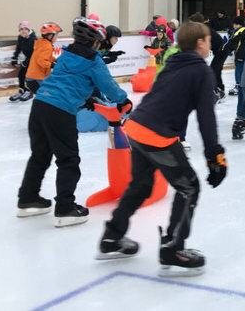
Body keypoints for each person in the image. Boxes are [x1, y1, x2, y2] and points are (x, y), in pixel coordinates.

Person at [96, 21, 226, 278]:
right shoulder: (201, 71)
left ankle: (111, 238)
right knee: (189, 187)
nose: (210, 45)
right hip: (157, 136)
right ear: (200, 42)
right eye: (209, 40)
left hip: (135, 128)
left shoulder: (173, 63)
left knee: (141, 186)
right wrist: (215, 155)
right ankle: (172, 249)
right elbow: (205, 116)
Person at [18, 18, 132, 227]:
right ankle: (65, 208)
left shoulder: (66, 54)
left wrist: (85, 98)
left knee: (39, 156)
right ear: (95, 41)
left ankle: (27, 199)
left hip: (40, 104)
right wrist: (125, 101)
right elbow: (109, 87)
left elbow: (65, 78)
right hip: (61, 111)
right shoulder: (94, 61)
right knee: (68, 160)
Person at [26, 22, 62, 94]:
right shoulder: (47, 46)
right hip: (37, 78)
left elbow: (45, 57)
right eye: (56, 35)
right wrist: (52, 65)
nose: (57, 37)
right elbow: (42, 61)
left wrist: (56, 59)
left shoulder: (42, 43)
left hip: (33, 77)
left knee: (44, 98)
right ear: (50, 36)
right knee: (49, 97)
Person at [10, 21, 37, 102]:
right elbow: (18, 48)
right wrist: (15, 58)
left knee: (28, 76)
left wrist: (27, 62)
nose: (23, 31)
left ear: (29, 30)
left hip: (35, 59)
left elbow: (35, 54)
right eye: (21, 29)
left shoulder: (33, 39)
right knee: (21, 75)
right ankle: (22, 90)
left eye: (25, 29)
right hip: (28, 59)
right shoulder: (20, 38)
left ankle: (29, 91)